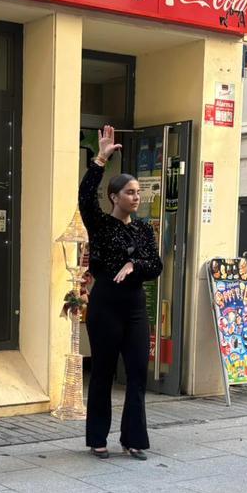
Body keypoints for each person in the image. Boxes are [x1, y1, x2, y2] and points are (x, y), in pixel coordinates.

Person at [79, 126, 163, 461]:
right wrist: (100, 159)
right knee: (102, 371)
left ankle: (133, 439)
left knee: (138, 371)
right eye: (130, 192)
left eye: (138, 192)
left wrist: (134, 265)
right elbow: (85, 197)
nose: (136, 197)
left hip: (135, 307)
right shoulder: (99, 224)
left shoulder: (143, 228)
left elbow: (155, 264)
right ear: (114, 197)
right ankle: (97, 438)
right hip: (105, 306)